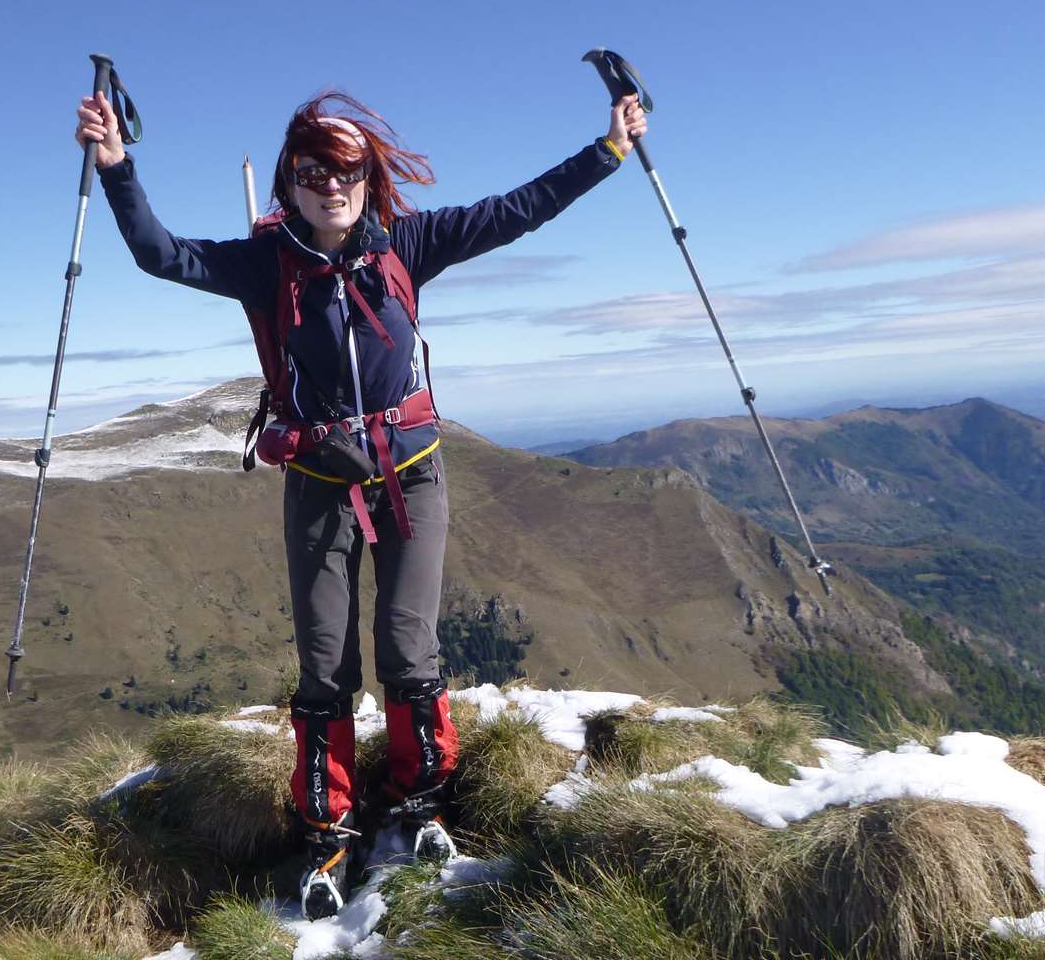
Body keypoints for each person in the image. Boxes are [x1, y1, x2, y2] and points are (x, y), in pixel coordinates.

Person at [77, 84, 648, 917]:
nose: (330, 183)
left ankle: (421, 798)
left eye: (344, 168)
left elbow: (519, 209)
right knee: (324, 662)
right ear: (290, 179)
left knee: (408, 643)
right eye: (312, 169)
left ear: (367, 174)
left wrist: (609, 151)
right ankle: (328, 823)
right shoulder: (266, 265)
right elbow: (161, 254)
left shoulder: (409, 244)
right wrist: (117, 167)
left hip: (412, 472)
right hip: (318, 481)